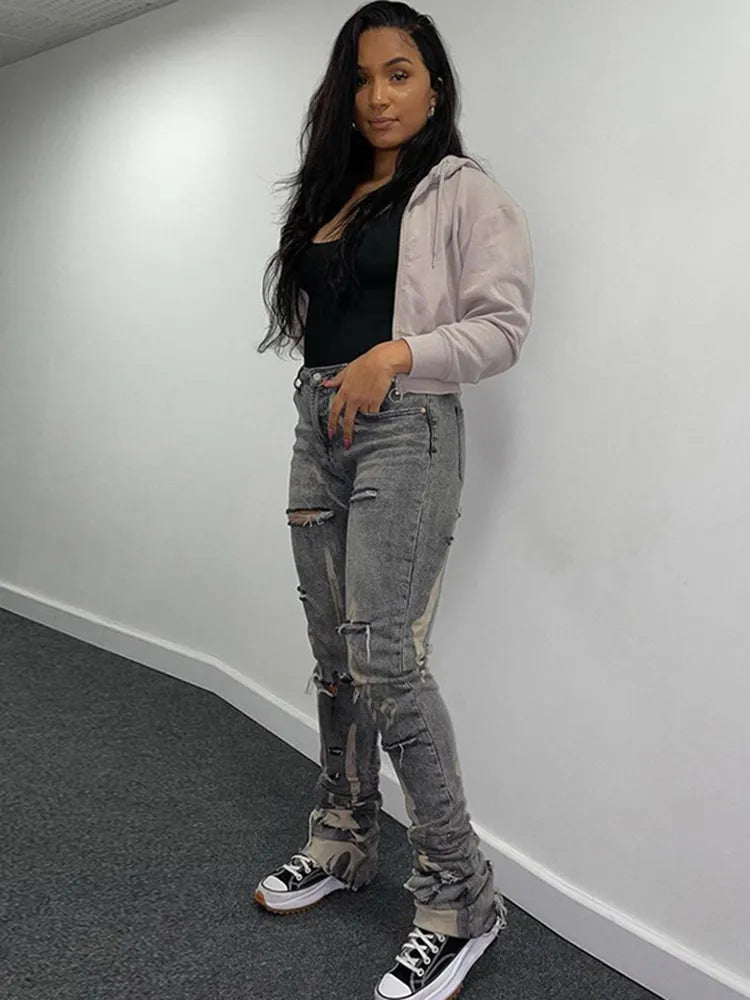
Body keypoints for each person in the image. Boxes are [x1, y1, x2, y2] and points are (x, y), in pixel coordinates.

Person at [254, 4, 534, 998]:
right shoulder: (333, 191)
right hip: (319, 424)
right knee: (335, 658)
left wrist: (397, 354)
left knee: (385, 659)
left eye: (400, 73)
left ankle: (461, 897)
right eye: (363, 78)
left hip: (406, 428)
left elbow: (502, 326)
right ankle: (343, 834)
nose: (379, 96)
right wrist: (341, 373)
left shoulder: (463, 191)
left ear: (435, 85)